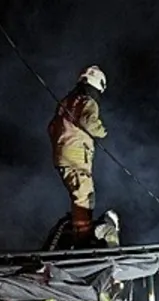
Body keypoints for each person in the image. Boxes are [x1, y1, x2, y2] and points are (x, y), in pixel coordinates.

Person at [34, 210, 122, 301]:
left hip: (66, 268)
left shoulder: (64, 227)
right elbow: (112, 242)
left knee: (60, 292)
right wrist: (116, 263)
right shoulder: (103, 228)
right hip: (85, 269)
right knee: (102, 289)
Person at [49, 65, 108, 238]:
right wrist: (102, 131)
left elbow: (51, 127)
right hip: (76, 156)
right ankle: (83, 237)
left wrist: (61, 144)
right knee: (84, 194)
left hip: (61, 155)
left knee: (80, 192)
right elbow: (88, 122)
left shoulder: (66, 102)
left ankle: (79, 227)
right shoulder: (87, 101)